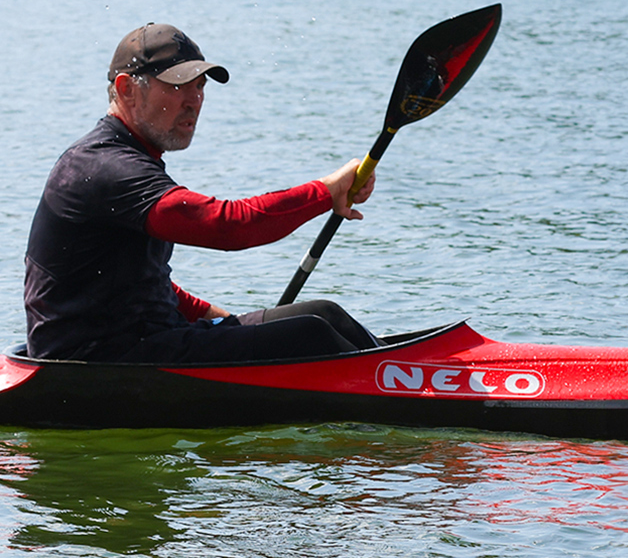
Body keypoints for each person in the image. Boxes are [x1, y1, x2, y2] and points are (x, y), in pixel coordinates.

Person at [22, 23, 381, 363]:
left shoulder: (129, 159)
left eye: (200, 86)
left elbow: (134, 283)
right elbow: (226, 226)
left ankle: (408, 372)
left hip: (145, 339)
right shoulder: (104, 168)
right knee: (307, 335)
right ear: (127, 88)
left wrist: (221, 320)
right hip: (95, 360)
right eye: (177, 86)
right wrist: (324, 192)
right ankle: (408, 394)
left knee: (321, 313)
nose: (194, 100)